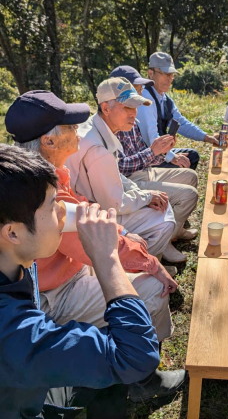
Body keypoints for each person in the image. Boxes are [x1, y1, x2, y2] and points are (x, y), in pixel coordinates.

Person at [0, 144, 185, 419]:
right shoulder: (12, 329)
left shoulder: (17, 261)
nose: (65, 212)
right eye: (53, 206)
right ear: (13, 233)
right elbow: (135, 355)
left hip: (20, 398)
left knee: (105, 371)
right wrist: (107, 259)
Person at [5, 90, 186, 400]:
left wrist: (127, 238)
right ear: (48, 141)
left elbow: (83, 210)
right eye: (71, 127)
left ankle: (136, 357)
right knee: (152, 288)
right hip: (55, 290)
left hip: (65, 272)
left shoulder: (36, 175)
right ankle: (141, 377)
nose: (79, 132)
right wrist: (153, 266)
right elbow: (85, 240)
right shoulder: (41, 192)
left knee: (137, 247)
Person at [65, 77, 189, 265]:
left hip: (89, 206)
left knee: (161, 204)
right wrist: (146, 197)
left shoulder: (96, 128)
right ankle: (141, 269)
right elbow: (114, 204)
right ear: (106, 108)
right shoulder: (98, 149)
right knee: (164, 218)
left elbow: (116, 175)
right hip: (88, 216)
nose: (134, 114)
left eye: (135, 107)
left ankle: (145, 261)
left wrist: (141, 193)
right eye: (127, 108)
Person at [109, 65, 199, 247]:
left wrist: (165, 154)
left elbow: (143, 149)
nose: (141, 91)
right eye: (137, 87)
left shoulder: (132, 118)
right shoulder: (111, 123)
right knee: (189, 194)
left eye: (141, 87)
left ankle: (174, 231)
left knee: (191, 175)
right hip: (130, 181)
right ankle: (165, 242)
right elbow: (119, 167)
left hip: (144, 171)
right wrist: (154, 151)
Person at [138, 51, 219, 170]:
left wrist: (206, 137)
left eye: (172, 75)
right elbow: (151, 138)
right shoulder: (145, 99)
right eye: (165, 74)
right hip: (146, 159)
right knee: (183, 161)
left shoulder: (165, 99)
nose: (170, 79)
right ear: (150, 73)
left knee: (192, 156)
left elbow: (181, 122)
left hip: (160, 153)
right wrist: (173, 157)